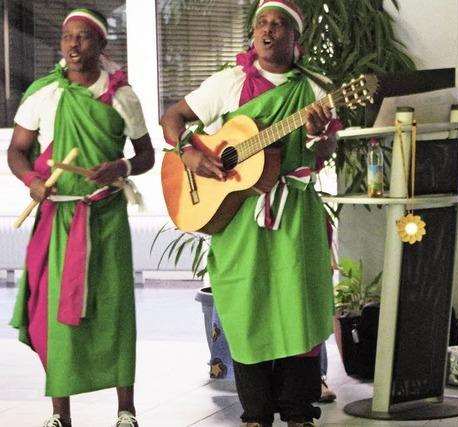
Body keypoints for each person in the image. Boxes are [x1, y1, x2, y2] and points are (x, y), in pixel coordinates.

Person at [160, 1, 339, 426]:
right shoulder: (229, 81)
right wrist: (188, 154)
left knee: (298, 304)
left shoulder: (315, 90)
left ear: (296, 39)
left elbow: (327, 151)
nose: (269, 30)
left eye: (279, 24)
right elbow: (174, 117)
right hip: (237, 211)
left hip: (292, 207)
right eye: (262, 22)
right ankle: (256, 412)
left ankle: (298, 411)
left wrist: (318, 136)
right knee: (245, 306)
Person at [7, 8, 153, 427]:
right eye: (67, 38)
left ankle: (126, 410)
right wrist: (33, 181)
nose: (73, 45)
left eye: (83, 38)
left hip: (106, 215)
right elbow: (17, 151)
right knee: (59, 314)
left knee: (115, 311)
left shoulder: (123, 96)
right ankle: (59, 414)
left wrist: (121, 167)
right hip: (59, 217)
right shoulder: (43, 93)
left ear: (101, 45)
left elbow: (146, 155)